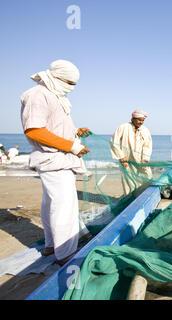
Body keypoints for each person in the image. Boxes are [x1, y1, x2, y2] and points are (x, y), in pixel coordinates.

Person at [20, 59, 92, 265]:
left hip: (58, 159)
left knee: (50, 203)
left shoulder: (54, 95)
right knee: (64, 206)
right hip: (53, 160)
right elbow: (34, 130)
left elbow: (54, 127)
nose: (71, 88)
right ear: (54, 76)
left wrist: (76, 133)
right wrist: (72, 146)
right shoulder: (37, 95)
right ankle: (65, 253)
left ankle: (51, 245)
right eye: (68, 82)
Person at [110, 110, 153, 196]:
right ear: (132, 119)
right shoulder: (123, 127)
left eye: (143, 120)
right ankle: (130, 200)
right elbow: (114, 141)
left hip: (141, 161)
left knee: (147, 177)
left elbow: (147, 145)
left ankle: (143, 197)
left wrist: (145, 158)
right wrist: (121, 156)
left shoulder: (145, 130)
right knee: (129, 182)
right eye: (139, 120)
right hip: (126, 160)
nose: (141, 122)